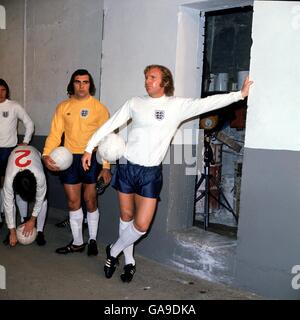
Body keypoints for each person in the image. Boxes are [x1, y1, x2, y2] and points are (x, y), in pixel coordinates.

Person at [82, 64, 253, 282]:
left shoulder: (176, 106)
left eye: (152, 77)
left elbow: (207, 103)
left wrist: (240, 94)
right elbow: (111, 123)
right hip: (127, 166)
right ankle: (129, 262)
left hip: (150, 173)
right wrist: (90, 147)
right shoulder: (134, 103)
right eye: (146, 77)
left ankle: (113, 251)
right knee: (126, 216)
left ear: (164, 82)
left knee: (141, 225)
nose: (147, 81)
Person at [42, 69, 111, 256]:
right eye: (78, 82)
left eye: (85, 82)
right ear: (72, 84)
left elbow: (106, 139)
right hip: (69, 159)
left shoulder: (99, 108)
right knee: (73, 202)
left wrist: (106, 167)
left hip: (91, 158)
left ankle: (93, 240)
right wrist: (46, 154)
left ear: (91, 85)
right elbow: (55, 134)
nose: (81, 86)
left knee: (90, 200)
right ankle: (78, 242)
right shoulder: (63, 107)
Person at [0, 79, 34, 229]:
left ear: (7, 91)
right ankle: (3, 218)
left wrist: (25, 142)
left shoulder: (14, 106)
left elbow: (29, 124)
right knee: (1, 187)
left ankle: (24, 218)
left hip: (9, 151)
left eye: (3, 90)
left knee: (15, 186)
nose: (0, 93)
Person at [3, 145, 47, 246]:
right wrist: (12, 231)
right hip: (14, 155)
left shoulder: (40, 176)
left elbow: (40, 199)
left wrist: (33, 219)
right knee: (18, 197)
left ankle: (40, 231)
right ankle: (24, 220)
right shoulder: (9, 179)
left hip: (34, 153)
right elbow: (8, 205)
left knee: (43, 200)